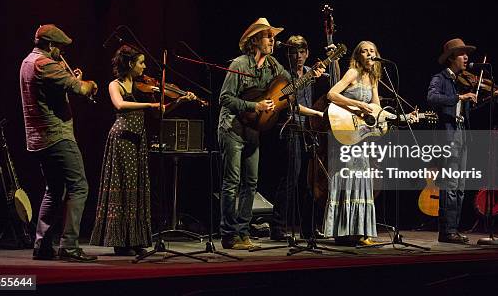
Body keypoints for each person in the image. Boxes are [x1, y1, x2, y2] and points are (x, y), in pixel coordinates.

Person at [218, 18, 323, 250]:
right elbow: (224, 98)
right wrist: (254, 106)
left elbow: (288, 86)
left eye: (272, 37)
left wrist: (311, 75)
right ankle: (228, 234)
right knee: (232, 182)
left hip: (254, 130)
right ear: (255, 40)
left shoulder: (273, 65)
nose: (272, 40)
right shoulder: (240, 64)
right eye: (268, 36)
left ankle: (243, 233)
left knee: (251, 182)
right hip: (232, 127)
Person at [90, 45, 196, 256]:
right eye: (141, 62)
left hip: (138, 141)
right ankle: (120, 241)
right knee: (123, 188)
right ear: (130, 64)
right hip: (122, 139)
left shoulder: (140, 87)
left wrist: (179, 100)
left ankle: (135, 238)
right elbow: (119, 105)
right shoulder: (115, 85)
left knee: (138, 188)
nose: (144, 66)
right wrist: (150, 105)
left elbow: (159, 112)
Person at [20, 24, 98, 262]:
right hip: (56, 136)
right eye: (60, 49)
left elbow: (55, 89)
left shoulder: (27, 62)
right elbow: (82, 89)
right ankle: (69, 246)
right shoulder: (45, 64)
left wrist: (70, 79)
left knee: (54, 190)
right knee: (79, 186)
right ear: (51, 46)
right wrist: (89, 84)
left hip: (38, 138)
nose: (61, 54)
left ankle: (42, 246)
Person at [323, 40, 381, 246]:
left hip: (361, 135)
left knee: (362, 179)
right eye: (364, 51)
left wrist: (386, 116)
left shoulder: (373, 78)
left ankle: (360, 231)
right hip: (345, 133)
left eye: (372, 51)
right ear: (358, 56)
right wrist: (357, 104)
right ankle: (343, 231)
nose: (369, 54)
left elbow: (376, 107)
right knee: (347, 177)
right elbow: (331, 94)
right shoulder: (352, 73)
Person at [270, 35, 324, 241]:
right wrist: (316, 114)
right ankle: (278, 227)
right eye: (294, 52)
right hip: (291, 128)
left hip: (307, 130)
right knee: (290, 179)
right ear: (288, 55)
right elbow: (289, 102)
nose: (299, 56)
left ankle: (308, 228)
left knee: (308, 181)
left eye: (302, 52)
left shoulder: (310, 72)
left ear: (307, 53)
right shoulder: (284, 75)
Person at [427, 38, 478, 244]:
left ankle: (453, 229)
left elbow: (464, 112)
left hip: (462, 136)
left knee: (460, 187)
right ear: (450, 59)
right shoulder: (440, 79)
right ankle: (447, 231)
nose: (466, 57)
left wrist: (495, 94)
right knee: (449, 185)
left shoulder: (460, 81)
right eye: (461, 54)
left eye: (467, 54)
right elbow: (432, 97)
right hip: (448, 138)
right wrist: (459, 98)